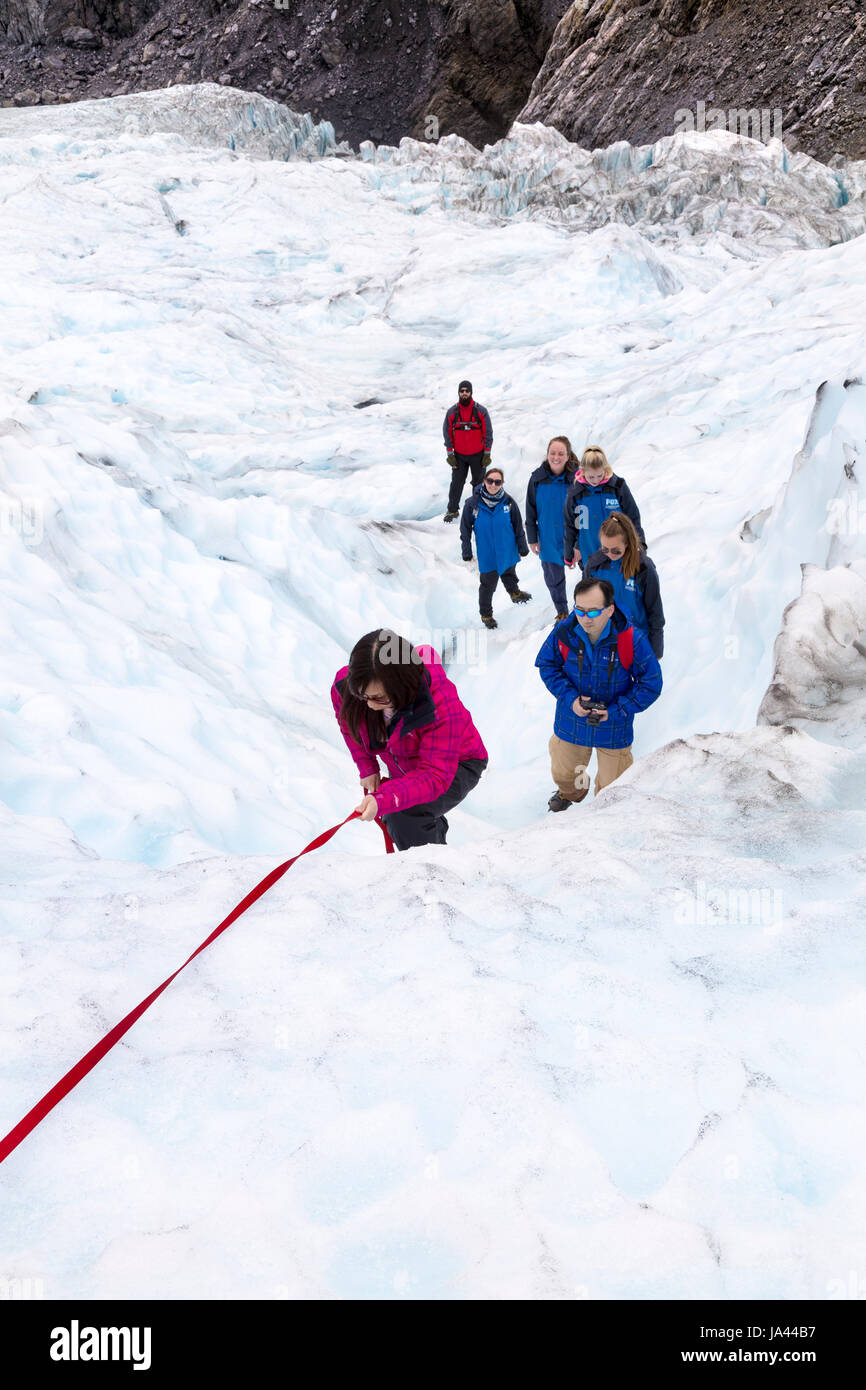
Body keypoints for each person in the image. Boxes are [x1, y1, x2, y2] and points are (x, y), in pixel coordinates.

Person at [331, 630, 488, 851]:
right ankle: (429, 834)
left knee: (401, 817)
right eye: (362, 695)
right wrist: (367, 766)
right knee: (404, 813)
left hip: (459, 763)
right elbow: (348, 722)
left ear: (401, 685)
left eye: (378, 698)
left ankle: (433, 876)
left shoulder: (440, 701)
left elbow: (435, 775)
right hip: (403, 762)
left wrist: (385, 798)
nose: (368, 704)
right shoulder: (349, 687)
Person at [535, 575, 662, 811]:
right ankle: (571, 794)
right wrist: (570, 699)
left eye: (593, 612)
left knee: (612, 789)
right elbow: (547, 665)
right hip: (572, 719)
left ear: (610, 609)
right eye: (579, 610)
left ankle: (602, 817)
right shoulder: (564, 632)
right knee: (567, 774)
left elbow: (651, 683)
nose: (585, 618)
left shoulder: (631, 639)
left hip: (613, 726)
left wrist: (616, 710)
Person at [583, 513, 665, 658]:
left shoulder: (644, 569)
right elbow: (584, 603)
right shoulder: (594, 565)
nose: (610, 554)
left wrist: (656, 652)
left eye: (616, 550)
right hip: (605, 642)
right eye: (604, 549)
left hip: (637, 642)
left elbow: (655, 613)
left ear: (627, 543)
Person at [461, 464, 531, 629]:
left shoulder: (509, 502)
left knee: (509, 572)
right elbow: (465, 530)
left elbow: (517, 526)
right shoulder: (473, 504)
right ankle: (486, 614)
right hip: (487, 553)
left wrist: (522, 547)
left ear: (502, 483)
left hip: (507, 549)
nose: (493, 485)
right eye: (490, 480)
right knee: (487, 585)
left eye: (497, 482)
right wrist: (466, 551)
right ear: (484, 481)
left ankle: (514, 593)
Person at [563, 445, 645, 570]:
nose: (595, 480)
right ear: (583, 471)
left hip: (619, 552)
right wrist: (569, 553)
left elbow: (633, 517)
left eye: (599, 475)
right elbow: (570, 525)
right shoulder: (575, 493)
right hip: (589, 551)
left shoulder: (617, 487)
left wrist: (640, 545)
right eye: (591, 477)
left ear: (605, 469)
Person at [525, 436, 578, 623]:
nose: (556, 457)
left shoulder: (577, 479)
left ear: (568, 455)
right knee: (553, 578)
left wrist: (581, 542)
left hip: (575, 538)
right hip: (548, 537)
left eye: (561, 453)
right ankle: (562, 611)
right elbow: (530, 509)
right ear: (547, 454)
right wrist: (532, 538)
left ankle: (591, 609)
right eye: (553, 453)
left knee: (589, 572)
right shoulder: (537, 479)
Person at [442, 380, 493, 522]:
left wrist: (487, 454)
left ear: (471, 392)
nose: (464, 393)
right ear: (458, 393)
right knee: (456, 483)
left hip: (478, 455)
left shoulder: (481, 411)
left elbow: (488, 433)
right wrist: (450, 454)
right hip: (459, 456)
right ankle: (452, 511)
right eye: (462, 391)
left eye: (467, 391)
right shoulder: (452, 412)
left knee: (478, 485)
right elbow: (447, 433)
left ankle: (478, 510)